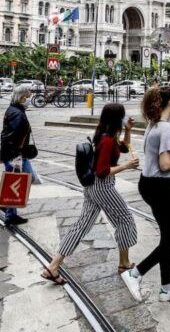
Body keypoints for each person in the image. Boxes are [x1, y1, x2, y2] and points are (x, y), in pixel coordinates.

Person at [41, 104, 139, 285]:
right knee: (125, 219)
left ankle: (53, 266)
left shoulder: (105, 135)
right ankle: (124, 263)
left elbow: (124, 148)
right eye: (123, 116)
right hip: (103, 187)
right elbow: (102, 171)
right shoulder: (107, 140)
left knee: (81, 225)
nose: (125, 118)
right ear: (117, 118)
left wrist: (128, 130)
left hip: (92, 188)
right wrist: (126, 166)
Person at [121, 86, 170, 302]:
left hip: (149, 184)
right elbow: (165, 165)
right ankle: (135, 274)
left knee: (168, 237)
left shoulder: (153, 124)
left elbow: (160, 160)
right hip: (161, 188)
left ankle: (167, 287)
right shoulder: (166, 129)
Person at [0, 84, 38, 225]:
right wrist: (16, 156)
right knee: (15, 181)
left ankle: (6, 205)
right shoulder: (16, 113)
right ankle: (10, 214)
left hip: (16, 154)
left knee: (26, 178)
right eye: (28, 96)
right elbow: (11, 137)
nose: (30, 98)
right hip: (15, 155)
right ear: (22, 98)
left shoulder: (16, 110)